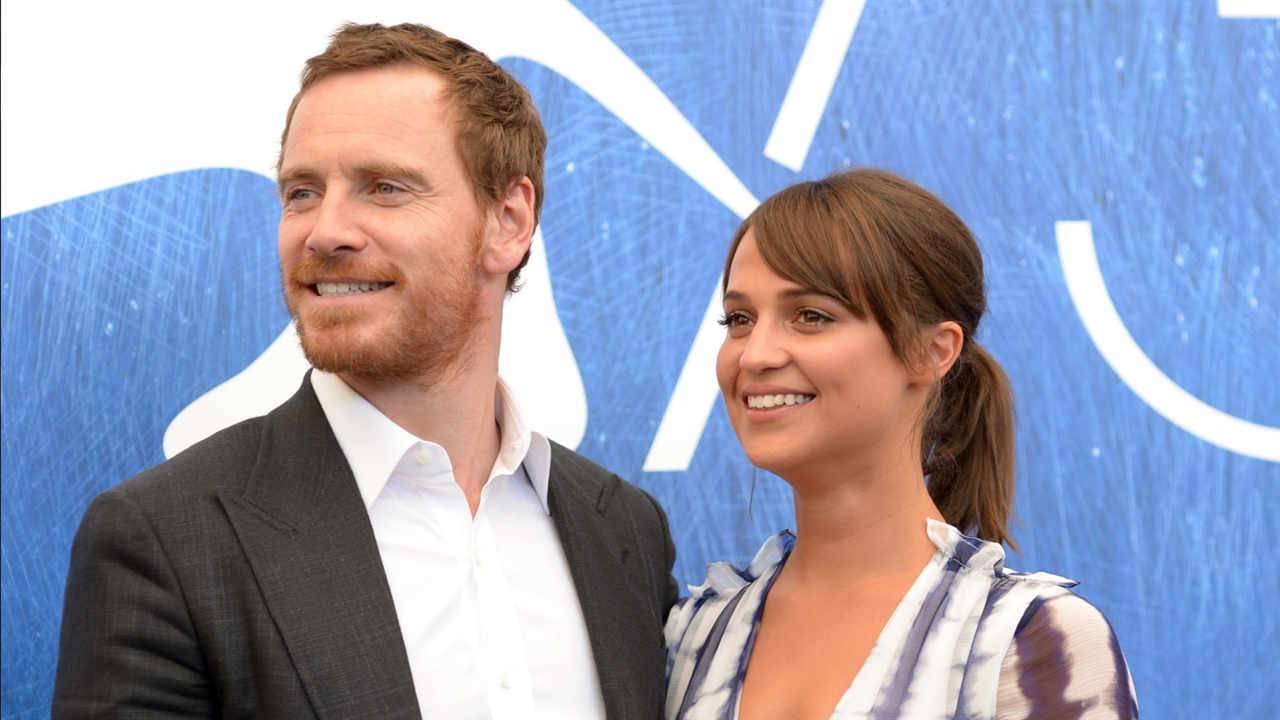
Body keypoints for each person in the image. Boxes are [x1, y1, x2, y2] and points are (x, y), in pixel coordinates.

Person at [53, 23, 676, 719]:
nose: (324, 231)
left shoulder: (625, 532)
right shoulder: (166, 540)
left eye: (383, 188)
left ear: (507, 221)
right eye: (301, 192)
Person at [664, 170, 1138, 719]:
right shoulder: (694, 634)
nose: (755, 355)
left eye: (811, 316)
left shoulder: (1031, 640)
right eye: (739, 319)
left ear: (932, 352)